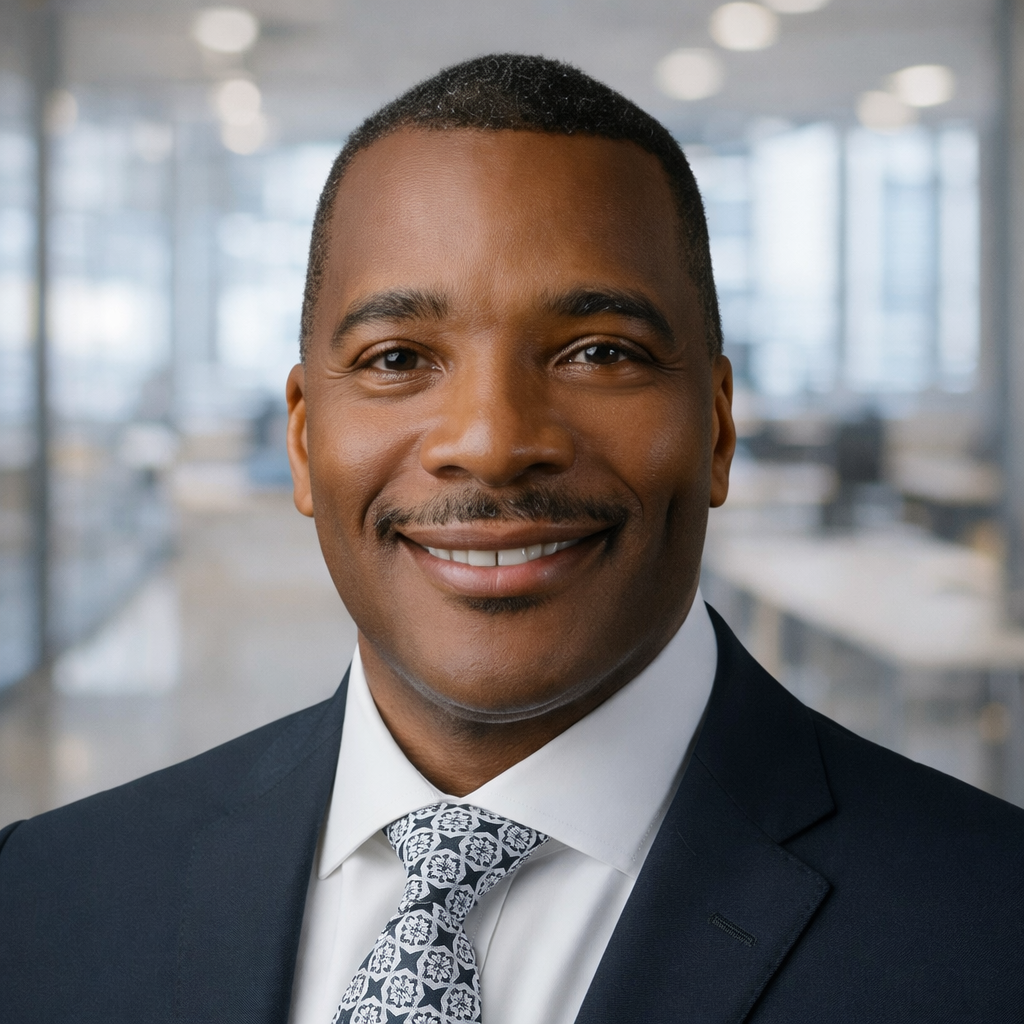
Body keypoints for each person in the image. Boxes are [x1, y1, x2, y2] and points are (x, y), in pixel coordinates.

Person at [1, 53, 1022, 1024]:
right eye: (399, 356)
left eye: (597, 352)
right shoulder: (44, 900)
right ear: (305, 440)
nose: (490, 443)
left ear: (715, 426)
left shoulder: (989, 932)